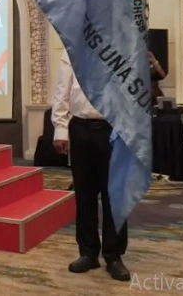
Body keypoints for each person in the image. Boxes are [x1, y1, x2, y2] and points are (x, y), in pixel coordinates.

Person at [52, 49, 130, 281]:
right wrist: (60, 128)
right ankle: (88, 252)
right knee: (84, 195)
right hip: (80, 128)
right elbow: (62, 89)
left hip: (114, 128)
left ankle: (114, 255)